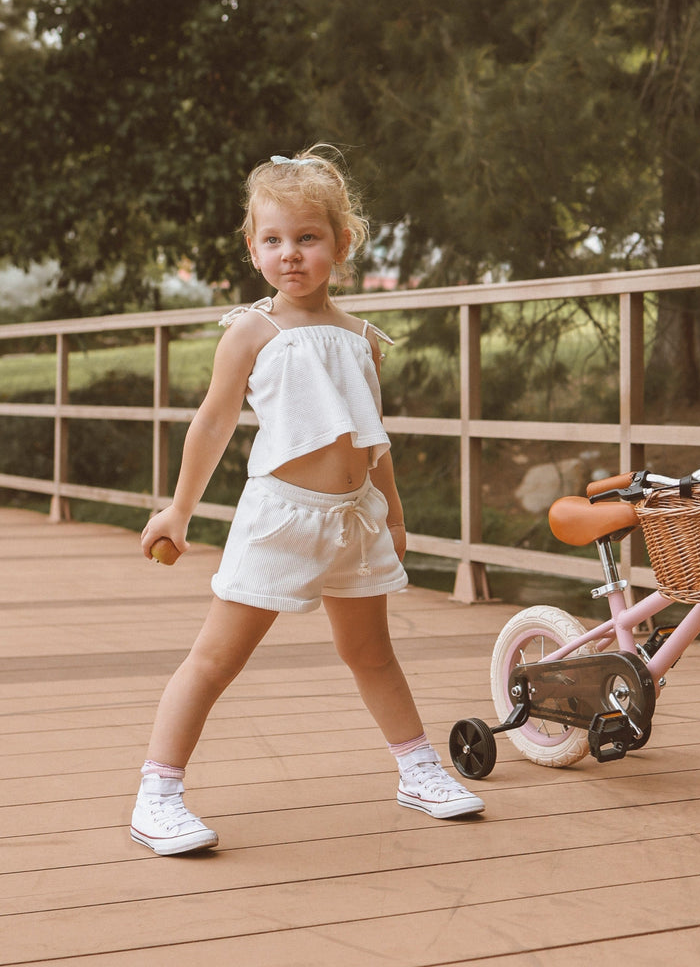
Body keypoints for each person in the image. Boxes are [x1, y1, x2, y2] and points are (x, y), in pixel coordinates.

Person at [131, 145, 484, 856]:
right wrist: (178, 509)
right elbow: (213, 422)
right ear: (253, 247)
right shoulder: (252, 331)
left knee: (371, 652)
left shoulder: (360, 339)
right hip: (279, 520)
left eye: (307, 237)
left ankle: (418, 769)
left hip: (353, 521)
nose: (289, 254)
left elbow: (369, 437)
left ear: (341, 243)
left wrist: (394, 511)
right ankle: (157, 794)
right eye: (273, 240)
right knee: (215, 659)